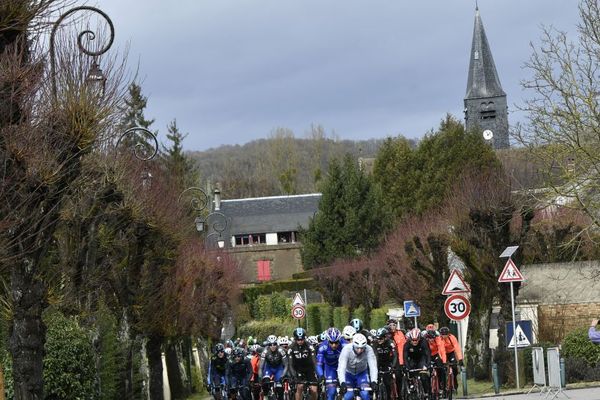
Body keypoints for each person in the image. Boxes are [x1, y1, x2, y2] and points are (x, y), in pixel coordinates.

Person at [337, 333, 378, 400]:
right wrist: (342, 382)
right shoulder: (346, 349)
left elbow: (373, 366)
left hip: (362, 373)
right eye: (357, 348)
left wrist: (374, 381)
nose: (359, 350)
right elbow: (341, 367)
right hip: (348, 374)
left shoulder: (369, 349)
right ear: (353, 345)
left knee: (365, 395)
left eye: (362, 348)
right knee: (348, 396)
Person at [288, 327, 318, 400]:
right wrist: (293, 375)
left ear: (305, 338)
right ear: (295, 339)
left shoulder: (310, 346)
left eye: (302, 339)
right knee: (300, 387)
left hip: (309, 368)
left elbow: (314, 361)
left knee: (314, 390)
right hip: (298, 369)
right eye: (298, 339)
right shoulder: (291, 347)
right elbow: (290, 364)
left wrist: (317, 372)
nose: (300, 341)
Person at [316, 327, 345, 400]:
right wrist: (321, 375)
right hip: (330, 368)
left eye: (336, 342)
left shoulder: (345, 345)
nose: (334, 345)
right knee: (332, 392)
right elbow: (319, 364)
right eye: (331, 343)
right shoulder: (323, 347)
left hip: (344, 368)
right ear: (328, 341)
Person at [259, 335, 289, 400]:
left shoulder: (281, 350)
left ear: (277, 344)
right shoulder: (265, 351)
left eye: (274, 344)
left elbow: (286, 365)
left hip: (279, 368)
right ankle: (266, 396)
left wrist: (283, 375)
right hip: (268, 368)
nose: (273, 346)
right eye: (270, 344)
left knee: (280, 388)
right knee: (265, 383)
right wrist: (260, 377)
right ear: (268, 345)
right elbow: (261, 367)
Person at [403, 328, 431, 400]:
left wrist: (428, 365)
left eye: (416, 340)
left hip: (421, 358)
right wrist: (406, 367)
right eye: (413, 340)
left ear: (419, 338)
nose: (414, 342)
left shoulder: (424, 342)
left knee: (423, 375)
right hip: (412, 359)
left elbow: (427, 354)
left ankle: (426, 392)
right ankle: (411, 386)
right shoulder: (407, 344)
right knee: (410, 371)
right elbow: (405, 357)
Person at [372, 327, 397, 400]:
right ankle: (376, 395)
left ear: (385, 338)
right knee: (375, 380)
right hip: (377, 361)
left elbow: (395, 355)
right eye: (377, 338)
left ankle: (389, 396)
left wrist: (393, 366)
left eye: (381, 339)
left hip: (387, 362)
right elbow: (375, 356)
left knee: (387, 382)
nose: (379, 340)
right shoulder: (374, 343)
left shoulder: (390, 342)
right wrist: (375, 369)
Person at [439, 327, 463, 394]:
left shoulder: (452, 337)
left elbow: (457, 348)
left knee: (454, 368)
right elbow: (442, 351)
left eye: (445, 334)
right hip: (443, 353)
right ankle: (443, 387)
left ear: (448, 334)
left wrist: (460, 359)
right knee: (443, 370)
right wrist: (444, 362)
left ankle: (455, 385)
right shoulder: (440, 339)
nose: (444, 336)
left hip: (451, 352)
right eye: (442, 334)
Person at [387, 318, 406, 396]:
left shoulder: (400, 333)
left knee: (398, 375)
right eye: (390, 325)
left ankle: (399, 394)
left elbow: (402, 348)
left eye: (394, 325)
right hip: (388, 357)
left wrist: (402, 362)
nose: (392, 327)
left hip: (398, 357)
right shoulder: (386, 333)